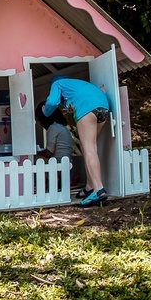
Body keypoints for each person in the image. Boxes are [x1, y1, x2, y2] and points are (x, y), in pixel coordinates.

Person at [42, 76, 111, 208]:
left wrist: (45, 112)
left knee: (89, 148)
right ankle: (89, 187)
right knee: (89, 149)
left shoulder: (57, 83)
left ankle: (99, 189)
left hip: (87, 109)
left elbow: (52, 102)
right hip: (103, 108)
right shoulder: (77, 85)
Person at [34, 102, 85, 192]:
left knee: (36, 159)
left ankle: (44, 184)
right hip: (66, 161)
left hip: (58, 162)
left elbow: (49, 152)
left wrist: (36, 153)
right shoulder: (61, 127)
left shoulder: (53, 128)